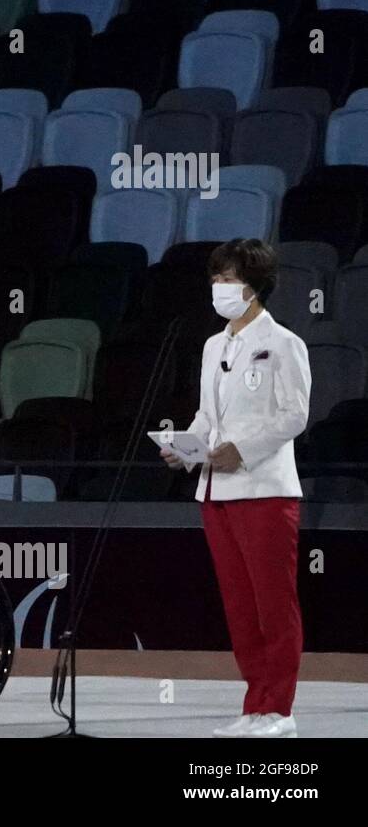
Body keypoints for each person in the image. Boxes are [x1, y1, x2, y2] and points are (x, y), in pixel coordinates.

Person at [161, 239, 310, 739]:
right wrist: (187, 447)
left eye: (228, 279)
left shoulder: (285, 343)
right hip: (216, 493)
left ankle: (280, 709)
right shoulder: (213, 345)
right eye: (216, 279)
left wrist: (241, 450)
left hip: (265, 491)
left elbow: (294, 415)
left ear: (254, 286)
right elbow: (208, 415)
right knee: (240, 605)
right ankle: (254, 704)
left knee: (273, 603)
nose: (219, 288)